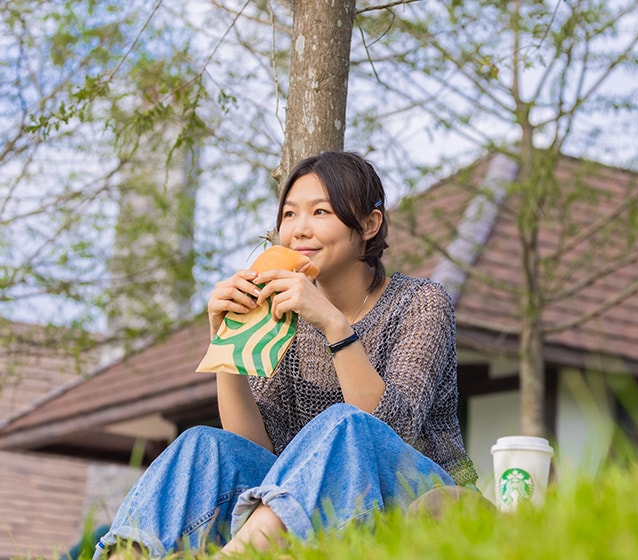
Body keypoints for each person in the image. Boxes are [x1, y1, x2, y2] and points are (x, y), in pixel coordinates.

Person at [94, 151, 479, 558]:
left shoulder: (421, 301)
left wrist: (333, 326)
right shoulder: (282, 315)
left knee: (346, 423)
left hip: (424, 496)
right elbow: (252, 450)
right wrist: (228, 342)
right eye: (290, 215)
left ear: (369, 225)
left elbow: (393, 429)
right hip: (312, 501)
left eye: (320, 212)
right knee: (204, 445)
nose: (299, 230)